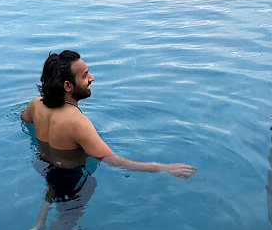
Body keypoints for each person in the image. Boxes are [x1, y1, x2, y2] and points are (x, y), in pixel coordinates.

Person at [21, 50, 197, 178]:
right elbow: (113, 161)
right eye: (84, 75)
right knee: (67, 223)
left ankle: (39, 223)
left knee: (53, 192)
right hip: (69, 176)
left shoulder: (36, 105)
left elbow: (24, 120)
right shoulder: (77, 122)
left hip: (43, 164)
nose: (92, 78)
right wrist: (164, 168)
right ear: (68, 86)